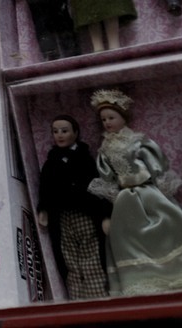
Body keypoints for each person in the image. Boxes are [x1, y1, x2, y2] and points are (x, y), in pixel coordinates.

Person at [87, 88, 182, 295]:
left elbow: (156, 166)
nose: (107, 123)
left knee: (169, 227)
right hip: (125, 200)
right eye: (103, 120)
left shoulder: (138, 141)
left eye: (111, 117)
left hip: (149, 193)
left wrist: (163, 191)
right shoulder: (104, 149)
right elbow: (106, 178)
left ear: (123, 117)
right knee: (130, 240)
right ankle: (144, 281)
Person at [36, 115, 108, 299]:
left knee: (91, 251)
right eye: (55, 131)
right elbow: (45, 187)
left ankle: (98, 293)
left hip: (85, 213)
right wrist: (43, 208)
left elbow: (98, 185)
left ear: (76, 133)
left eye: (65, 131)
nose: (59, 135)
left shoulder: (85, 158)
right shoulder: (51, 162)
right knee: (67, 256)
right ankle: (77, 298)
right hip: (62, 216)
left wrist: (106, 213)